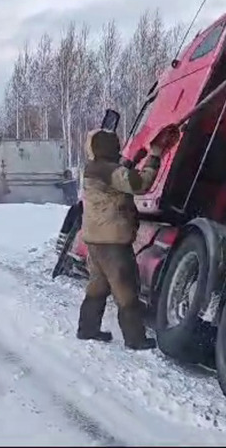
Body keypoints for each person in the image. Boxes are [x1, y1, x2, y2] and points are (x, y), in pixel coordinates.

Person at [76, 125, 179, 350]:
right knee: (127, 291)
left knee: (98, 286)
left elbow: (118, 177)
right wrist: (154, 156)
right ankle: (135, 339)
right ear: (109, 148)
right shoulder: (107, 170)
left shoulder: (94, 168)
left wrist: (133, 161)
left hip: (95, 239)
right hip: (113, 242)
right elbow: (139, 184)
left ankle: (87, 328)